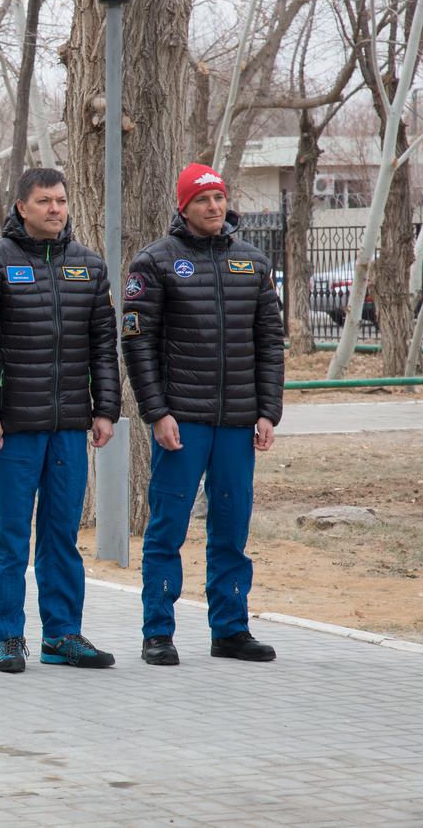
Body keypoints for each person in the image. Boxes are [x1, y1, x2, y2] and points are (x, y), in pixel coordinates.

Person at [0, 168, 120, 672]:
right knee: (10, 536)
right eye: (45, 201)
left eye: (62, 201)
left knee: (62, 535)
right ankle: (10, 636)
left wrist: (105, 409)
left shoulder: (88, 267)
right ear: (21, 207)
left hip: (69, 426)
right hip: (14, 428)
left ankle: (62, 635)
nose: (56, 209)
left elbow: (102, 345)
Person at [122, 163, 284, 666]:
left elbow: (269, 342)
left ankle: (230, 630)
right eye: (201, 200)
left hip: (238, 421)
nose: (213, 207)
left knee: (232, 526)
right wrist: (157, 412)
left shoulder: (252, 263)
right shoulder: (155, 262)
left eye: (218, 198)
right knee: (168, 526)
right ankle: (158, 632)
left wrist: (268, 410)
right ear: (183, 207)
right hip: (182, 421)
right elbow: (137, 342)